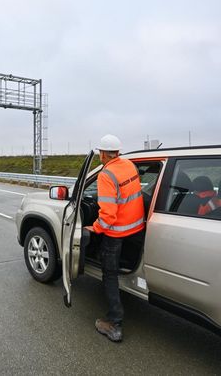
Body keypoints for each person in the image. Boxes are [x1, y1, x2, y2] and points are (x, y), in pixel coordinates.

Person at [84, 134, 145, 342]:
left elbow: (108, 215)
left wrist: (94, 228)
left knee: (109, 274)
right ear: (118, 151)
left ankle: (114, 323)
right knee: (120, 265)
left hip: (116, 233)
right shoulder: (130, 165)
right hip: (137, 228)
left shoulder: (106, 175)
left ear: (102, 154)